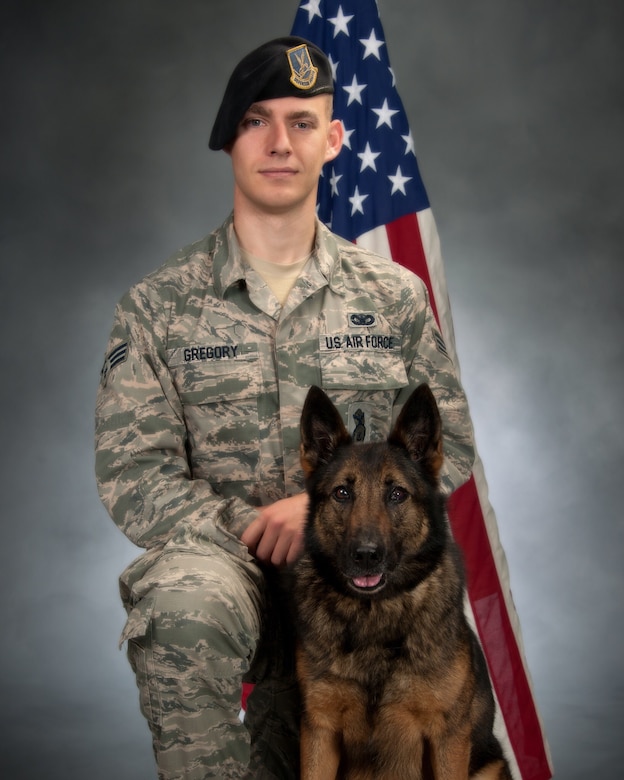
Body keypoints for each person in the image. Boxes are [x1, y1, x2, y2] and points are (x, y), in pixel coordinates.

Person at [95, 36, 475, 780]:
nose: (279, 143)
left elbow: (449, 445)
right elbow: (132, 476)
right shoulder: (157, 308)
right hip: (231, 578)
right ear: (228, 140)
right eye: (256, 121)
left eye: (301, 122)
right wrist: (249, 523)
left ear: (334, 140)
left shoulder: (392, 297)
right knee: (179, 610)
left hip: (357, 591)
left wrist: (323, 512)